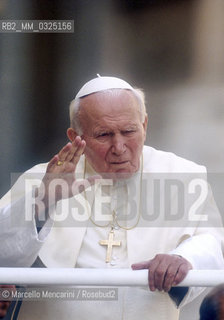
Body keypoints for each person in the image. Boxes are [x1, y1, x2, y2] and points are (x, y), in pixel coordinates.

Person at [0, 76, 223, 320]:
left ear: (144, 125)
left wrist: (183, 259)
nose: (119, 147)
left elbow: (211, 241)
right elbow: (5, 253)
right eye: (104, 135)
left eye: (129, 131)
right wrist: (42, 201)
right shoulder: (43, 178)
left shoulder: (183, 175)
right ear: (76, 136)